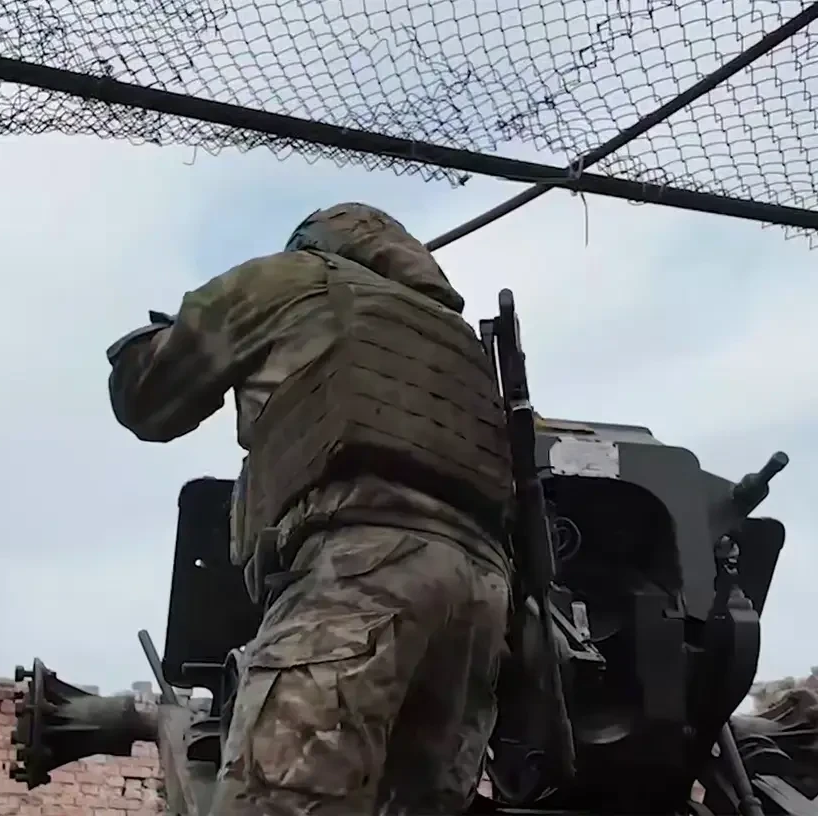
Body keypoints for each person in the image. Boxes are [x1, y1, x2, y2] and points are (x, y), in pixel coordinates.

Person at [107, 203, 514, 815]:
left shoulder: (297, 279)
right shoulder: (458, 341)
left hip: (361, 576)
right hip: (482, 605)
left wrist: (145, 343)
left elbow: (150, 397)